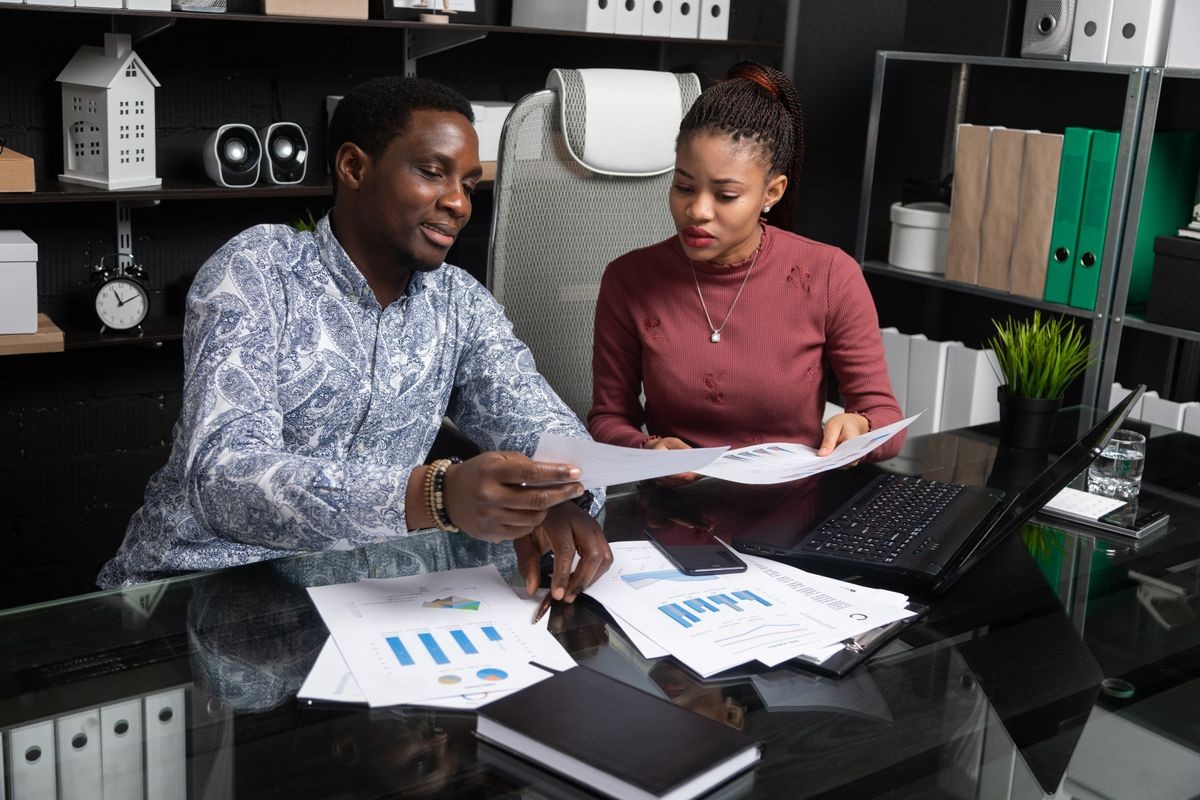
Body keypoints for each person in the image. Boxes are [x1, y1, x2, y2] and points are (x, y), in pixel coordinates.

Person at [99, 76, 612, 602]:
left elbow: (536, 417)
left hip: (365, 596)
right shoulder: (258, 269)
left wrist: (561, 498)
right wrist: (434, 494)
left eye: (469, 185)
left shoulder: (459, 301)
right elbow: (224, 480)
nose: (458, 203)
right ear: (354, 168)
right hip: (201, 588)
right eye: (433, 173)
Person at [588, 61, 903, 478]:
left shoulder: (830, 275)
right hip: (675, 506)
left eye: (726, 194)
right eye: (683, 186)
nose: (697, 210)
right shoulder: (629, 279)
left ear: (771, 192)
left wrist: (860, 425)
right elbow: (607, 419)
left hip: (795, 507)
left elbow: (884, 417)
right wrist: (648, 448)